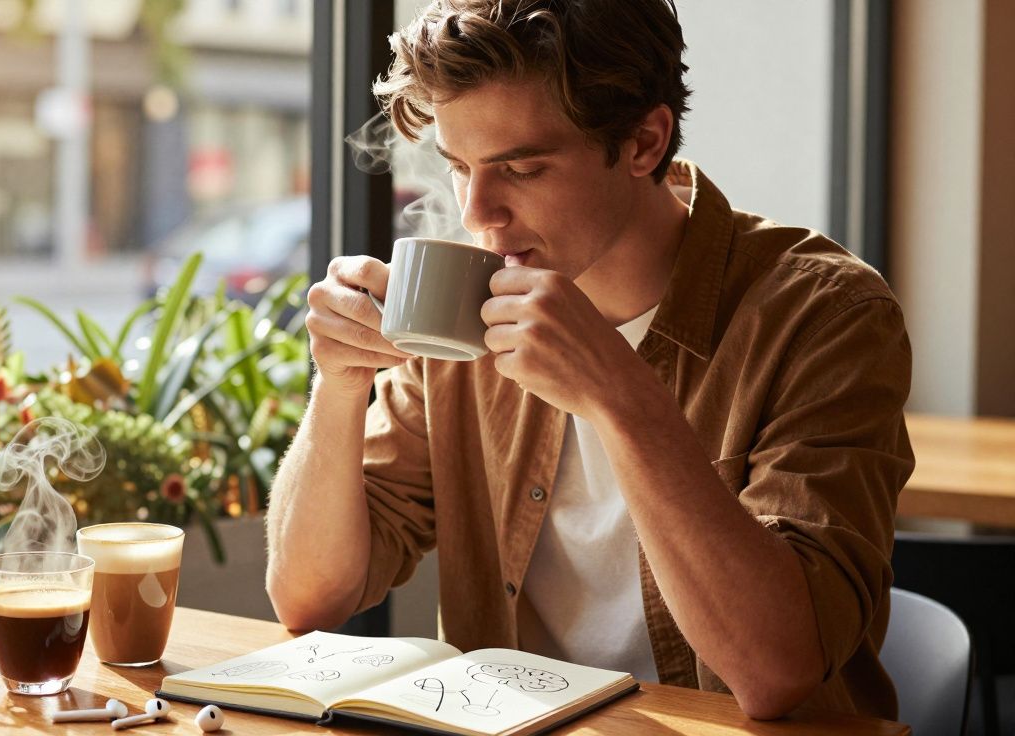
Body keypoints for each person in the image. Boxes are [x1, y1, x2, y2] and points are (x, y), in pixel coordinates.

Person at [265, 0, 913, 721]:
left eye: (523, 168)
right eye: (458, 167)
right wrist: (340, 382)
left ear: (643, 142)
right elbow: (308, 596)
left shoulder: (826, 316)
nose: (479, 213)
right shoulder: (463, 307)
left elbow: (776, 670)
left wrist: (619, 397)